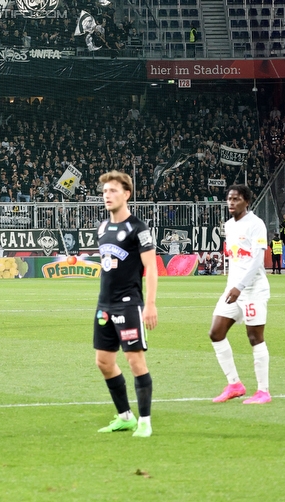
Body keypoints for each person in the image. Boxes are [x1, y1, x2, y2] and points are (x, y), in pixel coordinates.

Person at [94, 170, 158, 439]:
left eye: (113, 191)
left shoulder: (138, 229)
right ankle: (125, 417)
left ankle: (145, 421)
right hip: (104, 305)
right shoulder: (102, 228)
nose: (107, 195)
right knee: (104, 362)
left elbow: (151, 268)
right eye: (105, 192)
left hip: (129, 305)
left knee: (135, 361)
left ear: (127, 194)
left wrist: (150, 304)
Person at [209, 185, 271, 405]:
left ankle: (263, 391)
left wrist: (240, 286)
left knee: (255, 337)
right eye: (229, 199)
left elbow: (256, 260)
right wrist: (232, 285)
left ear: (246, 201)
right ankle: (234, 384)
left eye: (236, 199)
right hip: (233, 289)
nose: (231, 203)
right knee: (216, 333)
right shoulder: (228, 225)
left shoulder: (256, 224)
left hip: (252, 289)